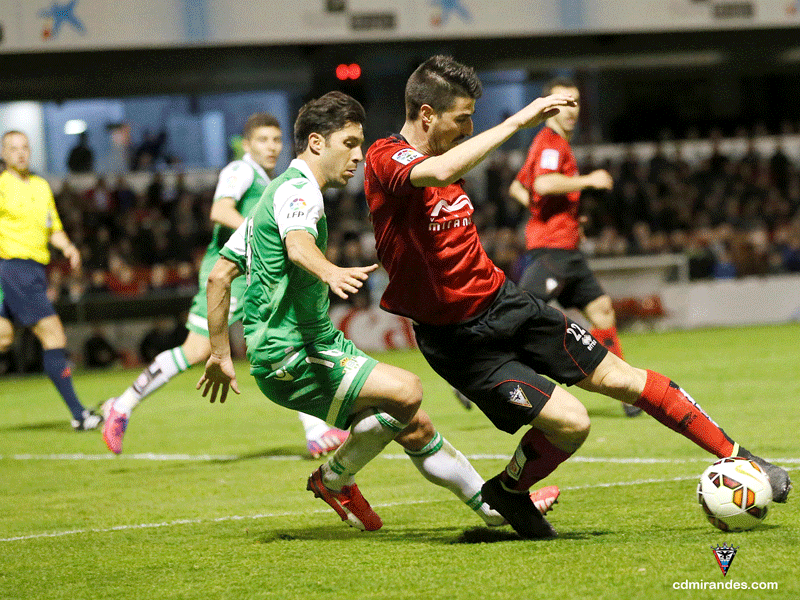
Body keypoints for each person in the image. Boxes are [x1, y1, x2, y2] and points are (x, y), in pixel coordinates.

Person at [363, 55, 791, 538]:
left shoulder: (448, 157)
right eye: (462, 118)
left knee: (623, 377)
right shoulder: (385, 157)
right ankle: (508, 491)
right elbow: (438, 173)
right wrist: (520, 119)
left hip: (507, 303)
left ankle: (737, 456)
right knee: (572, 423)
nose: (468, 128)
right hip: (459, 340)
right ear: (426, 115)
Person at [197, 91, 559, 532]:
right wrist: (328, 269)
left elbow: (219, 276)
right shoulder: (299, 192)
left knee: (415, 425)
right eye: (349, 143)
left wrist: (219, 353)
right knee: (406, 391)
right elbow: (297, 245)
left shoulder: (272, 195)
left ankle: (496, 510)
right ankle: (334, 478)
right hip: (290, 352)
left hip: (313, 344)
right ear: (316, 144)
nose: (359, 155)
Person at [102, 114, 350, 459]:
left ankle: (317, 431)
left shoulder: (269, 179)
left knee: (289, 336)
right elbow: (219, 210)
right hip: (226, 272)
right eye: (263, 140)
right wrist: (261, 232)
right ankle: (122, 405)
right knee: (197, 351)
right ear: (247, 144)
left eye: (276, 140)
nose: (272, 147)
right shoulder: (240, 171)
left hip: (253, 275)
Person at [508, 76, 642, 417]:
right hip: (552, 251)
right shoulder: (551, 144)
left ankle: (627, 392)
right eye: (563, 103)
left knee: (602, 310)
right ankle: (475, 375)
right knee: (521, 318)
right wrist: (588, 180)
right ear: (548, 107)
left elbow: (518, 187)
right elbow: (543, 183)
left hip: (565, 248)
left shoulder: (548, 143)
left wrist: (557, 214)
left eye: (576, 102)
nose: (571, 110)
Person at [0, 130, 102, 430]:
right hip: (13, 268)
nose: (20, 153)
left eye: (25, 148)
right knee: (54, 335)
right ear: (3, 154)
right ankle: (79, 414)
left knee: (4, 338)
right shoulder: (2, 186)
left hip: (32, 270)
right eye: (13, 149)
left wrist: (68, 246)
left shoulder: (41, 186)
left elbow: (51, 227)